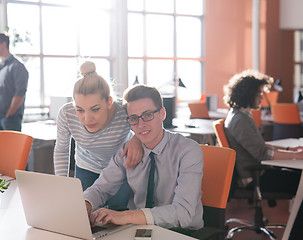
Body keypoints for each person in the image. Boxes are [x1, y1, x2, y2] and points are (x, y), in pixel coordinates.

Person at [83, 85, 204, 230]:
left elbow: (184, 214)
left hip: (182, 231)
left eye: (147, 115)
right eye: (134, 118)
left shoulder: (188, 151)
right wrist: (85, 204)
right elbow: (101, 188)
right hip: (141, 229)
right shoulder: (127, 150)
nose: (141, 125)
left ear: (162, 114)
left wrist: (125, 216)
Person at [223, 69, 303, 239]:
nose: (262, 97)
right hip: (255, 176)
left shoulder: (239, 115)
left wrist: (290, 151)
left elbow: (258, 145)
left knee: (298, 174)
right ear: (249, 94)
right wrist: (298, 156)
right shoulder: (240, 120)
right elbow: (262, 154)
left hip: (258, 171)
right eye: (259, 93)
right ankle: (296, 234)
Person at [54, 61, 143, 209]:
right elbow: (62, 150)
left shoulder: (124, 111)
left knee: (115, 211)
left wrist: (137, 138)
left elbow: (149, 126)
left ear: (109, 101)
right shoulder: (66, 114)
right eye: (80, 110)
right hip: (86, 167)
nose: (87, 119)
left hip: (120, 168)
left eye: (95, 109)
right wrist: (61, 184)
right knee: (85, 212)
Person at [0, 33, 29, 139]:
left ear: (3, 44)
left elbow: (20, 94)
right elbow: (4, 89)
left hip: (11, 118)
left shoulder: (17, 67)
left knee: (11, 153)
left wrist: (9, 115)